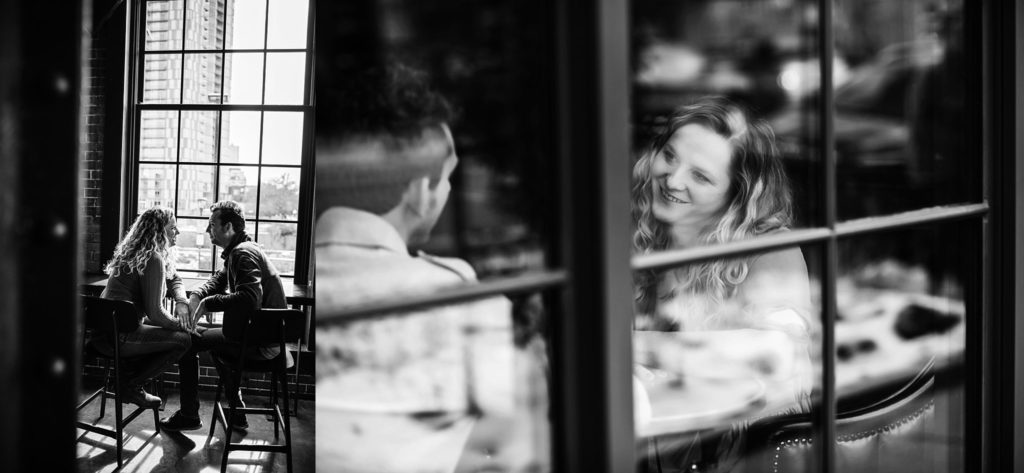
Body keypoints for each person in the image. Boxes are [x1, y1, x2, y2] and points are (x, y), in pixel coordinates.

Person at [315, 63, 548, 473]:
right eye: (449, 177)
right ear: (421, 191)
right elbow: (518, 445)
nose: (451, 189)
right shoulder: (458, 294)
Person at [631, 97, 813, 471]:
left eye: (700, 175)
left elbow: (775, 352)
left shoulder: (769, 250)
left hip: (741, 460)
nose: (673, 179)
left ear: (737, 193)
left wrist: (634, 349)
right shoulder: (639, 232)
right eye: (669, 156)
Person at [158, 200, 289, 432]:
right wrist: (198, 294)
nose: (208, 230)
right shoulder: (243, 249)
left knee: (187, 342)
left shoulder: (242, 254)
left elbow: (249, 299)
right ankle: (236, 411)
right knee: (214, 345)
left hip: (260, 343)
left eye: (211, 225)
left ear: (228, 227)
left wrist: (209, 303)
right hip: (268, 338)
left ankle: (190, 415)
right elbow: (220, 279)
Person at [98, 206, 193, 407]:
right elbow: (156, 314)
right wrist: (183, 325)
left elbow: (173, 278)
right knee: (184, 340)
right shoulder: (153, 258)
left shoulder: (137, 252)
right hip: (119, 335)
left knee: (171, 332)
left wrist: (182, 301)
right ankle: (130, 386)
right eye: (173, 228)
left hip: (103, 330)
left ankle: (128, 379)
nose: (177, 232)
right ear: (159, 231)